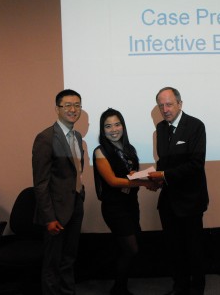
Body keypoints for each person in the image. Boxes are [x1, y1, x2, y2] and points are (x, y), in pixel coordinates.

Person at [149, 87, 209, 295]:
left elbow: (196, 164)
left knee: (194, 249)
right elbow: (163, 163)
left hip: (191, 200)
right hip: (168, 201)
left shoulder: (195, 126)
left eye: (169, 104)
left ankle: (197, 288)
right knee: (174, 249)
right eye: (161, 105)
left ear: (180, 104)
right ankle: (180, 285)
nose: (165, 109)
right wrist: (153, 179)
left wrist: (163, 176)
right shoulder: (160, 128)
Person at [93, 108, 157, 295]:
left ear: (123, 126)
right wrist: (144, 183)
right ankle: (118, 289)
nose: (113, 129)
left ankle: (121, 286)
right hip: (115, 208)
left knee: (126, 248)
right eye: (108, 126)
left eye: (117, 124)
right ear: (102, 130)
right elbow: (112, 181)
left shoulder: (129, 149)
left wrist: (142, 178)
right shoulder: (100, 151)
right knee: (131, 249)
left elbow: (130, 175)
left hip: (130, 205)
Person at [32, 89, 85, 295]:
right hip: (56, 213)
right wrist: (49, 218)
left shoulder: (77, 136)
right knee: (53, 264)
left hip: (75, 207)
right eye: (68, 105)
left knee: (68, 260)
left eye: (77, 105)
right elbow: (41, 182)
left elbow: (73, 172)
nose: (73, 110)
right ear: (57, 109)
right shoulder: (45, 138)